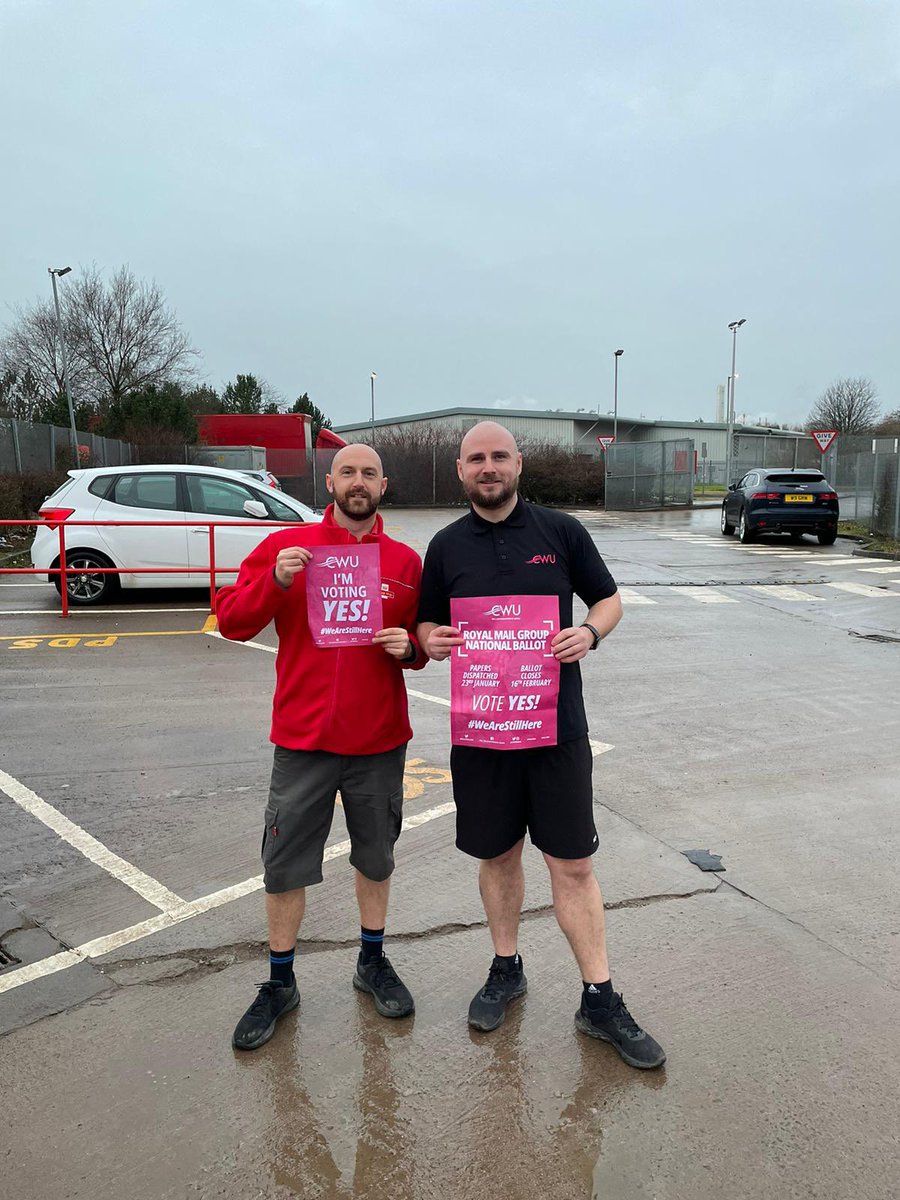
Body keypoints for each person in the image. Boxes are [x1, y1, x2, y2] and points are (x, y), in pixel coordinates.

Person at [417, 421, 665, 1069]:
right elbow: (424, 620)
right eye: (477, 458)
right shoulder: (444, 546)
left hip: (558, 729)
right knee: (497, 857)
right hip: (484, 732)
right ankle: (506, 968)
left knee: (573, 865)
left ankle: (598, 996)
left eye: (499, 456)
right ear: (461, 469)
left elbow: (608, 600)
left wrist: (589, 633)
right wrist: (431, 639)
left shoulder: (560, 531)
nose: (489, 467)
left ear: (519, 464)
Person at [217, 444, 425, 1050]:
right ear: (329, 481)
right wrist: (274, 582)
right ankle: (280, 981)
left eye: (368, 474)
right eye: (347, 473)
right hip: (303, 742)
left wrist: (409, 647)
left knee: (376, 857)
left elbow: (426, 638)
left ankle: (372, 960)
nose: (357, 483)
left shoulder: (406, 564)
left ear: (383, 485)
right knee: (283, 866)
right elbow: (231, 621)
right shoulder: (289, 552)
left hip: (378, 742)